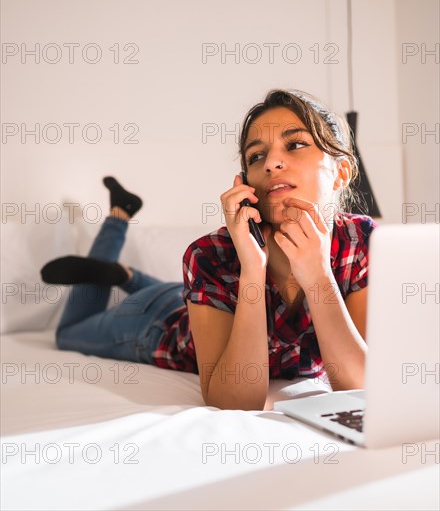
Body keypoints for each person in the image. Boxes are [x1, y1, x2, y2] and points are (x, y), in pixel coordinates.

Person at [41, 89, 377, 412]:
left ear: (341, 172)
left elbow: (361, 387)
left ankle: (125, 275)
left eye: (295, 144)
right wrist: (252, 268)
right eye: (256, 156)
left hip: (195, 298)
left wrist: (318, 274)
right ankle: (117, 228)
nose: (272, 162)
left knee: (178, 292)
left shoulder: (361, 242)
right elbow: (235, 402)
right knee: (68, 333)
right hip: (157, 322)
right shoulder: (210, 255)